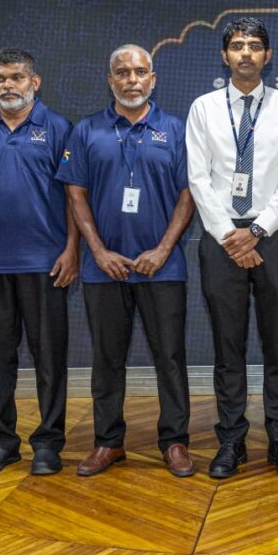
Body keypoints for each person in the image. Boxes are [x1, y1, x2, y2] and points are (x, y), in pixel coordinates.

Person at [57, 44, 196, 477]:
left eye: (139, 72)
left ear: (152, 79)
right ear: (110, 79)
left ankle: (174, 441)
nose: (131, 80)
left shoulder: (175, 130)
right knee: (107, 360)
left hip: (162, 268)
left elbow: (188, 194)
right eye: (122, 72)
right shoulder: (87, 131)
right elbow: (75, 193)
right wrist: (97, 251)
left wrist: (163, 249)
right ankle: (108, 442)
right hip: (105, 268)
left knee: (169, 357)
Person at [186, 17, 278, 478]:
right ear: (225, 55)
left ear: (267, 55)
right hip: (221, 240)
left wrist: (256, 231)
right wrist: (230, 235)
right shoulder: (204, 108)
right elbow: (198, 178)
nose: (246, 53)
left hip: (273, 238)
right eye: (237, 45)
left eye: (255, 46)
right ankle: (231, 441)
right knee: (228, 345)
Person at [0, 48, 79, 477]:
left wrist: (72, 249)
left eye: (16, 77)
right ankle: (1, 442)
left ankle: (48, 443)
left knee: (50, 358)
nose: (7, 85)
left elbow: (73, 197)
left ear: (34, 82)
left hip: (46, 264)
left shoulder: (58, 128)